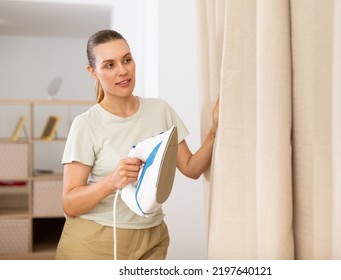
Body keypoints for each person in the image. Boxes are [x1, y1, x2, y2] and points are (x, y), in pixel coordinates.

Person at [55, 29, 219, 260]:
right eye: (109, 65)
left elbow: (191, 169)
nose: (123, 71)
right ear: (93, 72)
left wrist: (215, 129)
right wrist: (112, 182)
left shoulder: (160, 110)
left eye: (127, 60)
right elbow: (69, 204)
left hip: (151, 239)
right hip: (94, 242)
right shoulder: (86, 124)